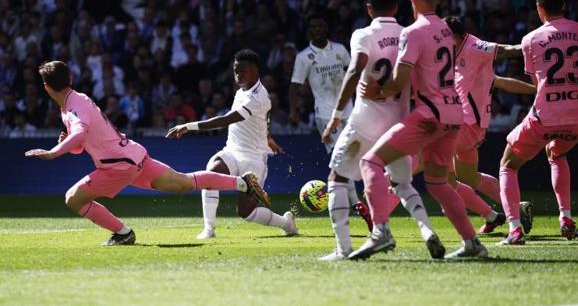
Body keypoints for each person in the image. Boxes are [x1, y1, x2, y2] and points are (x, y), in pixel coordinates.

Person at [25, 61, 270, 246]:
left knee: (73, 198)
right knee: (185, 183)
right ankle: (243, 183)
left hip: (117, 165)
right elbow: (80, 143)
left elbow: (79, 135)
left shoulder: (73, 107)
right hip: (134, 156)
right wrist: (68, 142)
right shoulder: (75, 102)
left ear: (46, 87)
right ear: (69, 78)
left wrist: (53, 153)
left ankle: (123, 234)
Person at [351, 0, 487, 260]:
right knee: (438, 183)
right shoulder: (446, 31)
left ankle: (380, 232)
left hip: (430, 115)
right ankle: (472, 243)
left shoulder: (411, 33)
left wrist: (375, 92)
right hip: (454, 113)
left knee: (370, 161)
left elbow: (399, 83)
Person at [498, 0, 578, 245]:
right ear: (564, 5)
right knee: (557, 153)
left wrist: (557, 100)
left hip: (545, 115)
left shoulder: (530, 39)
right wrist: (573, 97)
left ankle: (514, 230)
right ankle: (566, 218)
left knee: (508, 165)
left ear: (539, 8)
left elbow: (538, 85)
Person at [166, 50, 297, 239]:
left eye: (242, 71)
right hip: (233, 151)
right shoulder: (242, 92)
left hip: (254, 157)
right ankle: (209, 229)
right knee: (212, 170)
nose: (238, 75)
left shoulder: (258, 98)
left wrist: (189, 126)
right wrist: (268, 136)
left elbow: (225, 120)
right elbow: (266, 118)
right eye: (236, 70)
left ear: (255, 70)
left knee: (246, 212)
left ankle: (286, 223)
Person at [443, 16, 537, 234]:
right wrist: (536, 90)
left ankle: (489, 215)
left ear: (458, 35)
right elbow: (503, 82)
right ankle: (511, 209)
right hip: (470, 128)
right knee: (467, 177)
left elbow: (505, 50)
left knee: (439, 175)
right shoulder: (468, 63)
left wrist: (533, 43)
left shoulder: (474, 46)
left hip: (464, 125)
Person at [288, 13, 371, 227]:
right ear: (309, 32)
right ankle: (357, 205)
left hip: (350, 111)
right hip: (325, 115)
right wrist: (294, 111)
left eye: (320, 25)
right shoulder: (304, 57)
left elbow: (353, 73)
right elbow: (295, 86)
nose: (316, 30)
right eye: (312, 27)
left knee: (357, 156)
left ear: (326, 29)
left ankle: (361, 201)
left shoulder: (340, 50)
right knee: (341, 158)